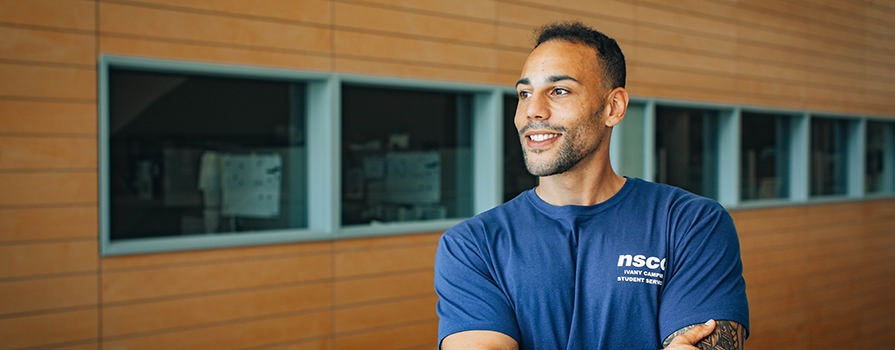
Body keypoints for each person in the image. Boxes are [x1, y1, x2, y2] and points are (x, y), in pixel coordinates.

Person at [434, 22, 749, 350]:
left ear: (613, 107)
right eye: (525, 93)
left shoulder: (690, 225)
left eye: (559, 91)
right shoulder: (472, 246)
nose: (533, 111)